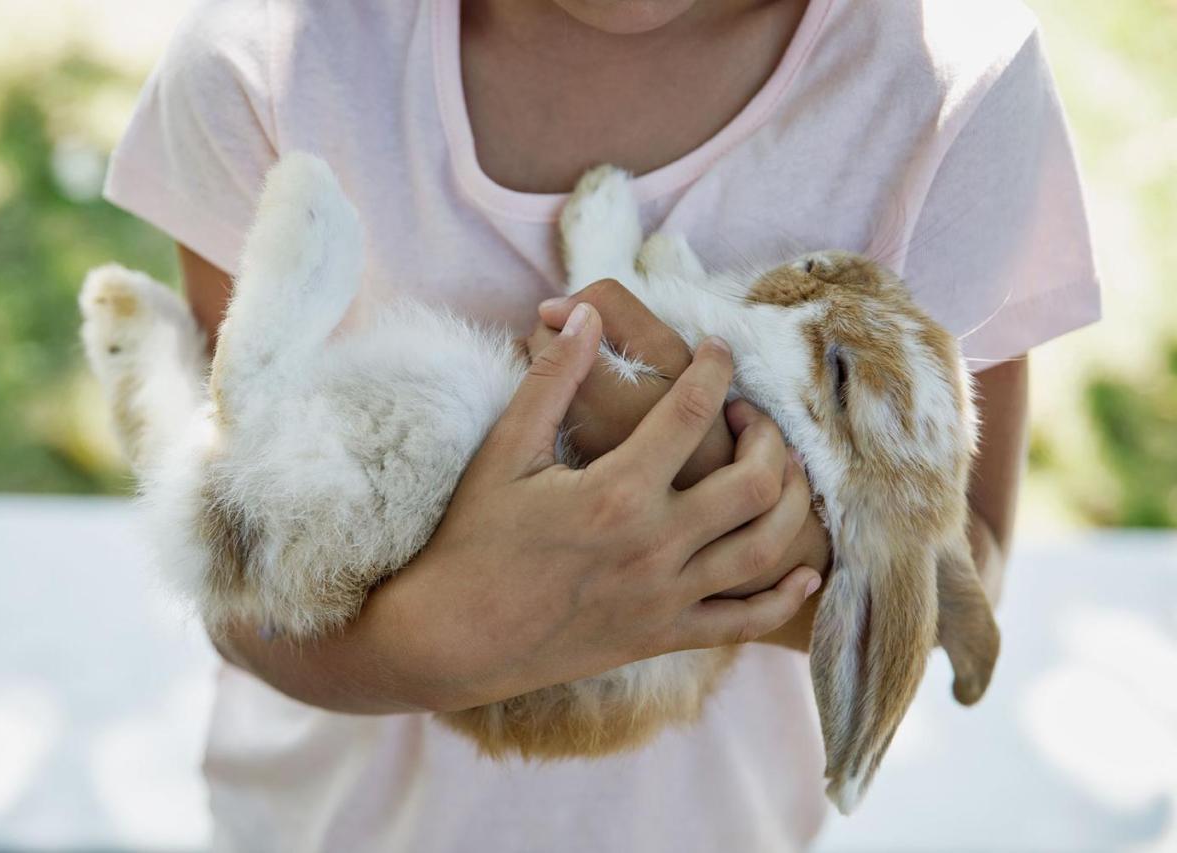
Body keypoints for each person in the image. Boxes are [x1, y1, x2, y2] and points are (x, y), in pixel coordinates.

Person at [104, 0, 1100, 849]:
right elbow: (230, 550)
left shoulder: (951, 83)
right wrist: (440, 634)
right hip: (334, 821)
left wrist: (721, 493)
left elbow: (958, 559)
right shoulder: (271, 48)